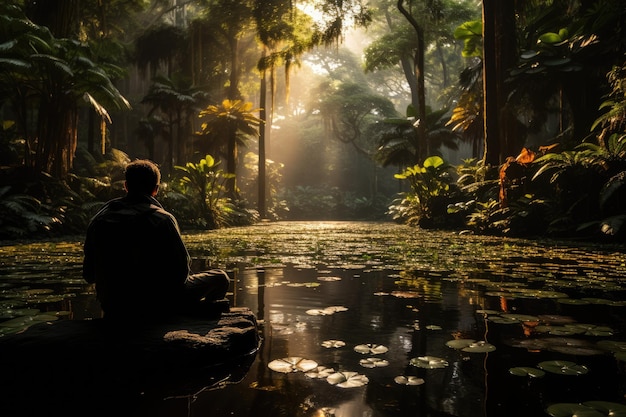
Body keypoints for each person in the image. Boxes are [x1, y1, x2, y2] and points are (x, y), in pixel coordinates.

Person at [82, 159, 230, 321]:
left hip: (113, 306)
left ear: (126, 186)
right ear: (156, 189)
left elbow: (89, 275)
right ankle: (188, 315)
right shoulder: (162, 219)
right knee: (221, 278)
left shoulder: (99, 219)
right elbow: (181, 275)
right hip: (157, 305)